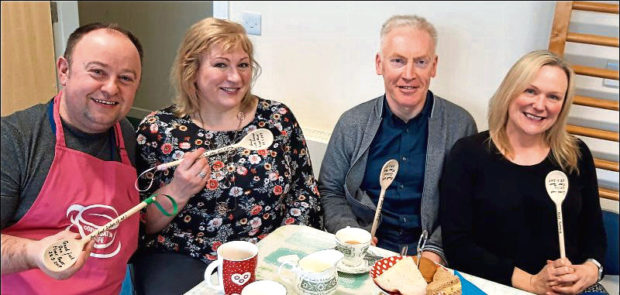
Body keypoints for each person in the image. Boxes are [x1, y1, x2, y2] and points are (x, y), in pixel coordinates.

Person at [133, 17, 322, 294]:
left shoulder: (277, 119)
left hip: (269, 254)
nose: (235, 77)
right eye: (221, 64)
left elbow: (303, 191)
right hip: (184, 256)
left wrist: (284, 251)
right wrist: (179, 190)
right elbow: (142, 224)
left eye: (243, 65)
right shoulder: (158, 129)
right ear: (192, 69)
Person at [440, 50, 607, 294]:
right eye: (530, 91)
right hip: (491, 285)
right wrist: (531, 283)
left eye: (553, 97)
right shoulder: (468, 154)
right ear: (510, 91)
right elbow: (458, 246)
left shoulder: (576, 155)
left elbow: (594, 235)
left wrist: (590, 270)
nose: (540, 105)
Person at [318, 15, 476, 265]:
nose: (409, 74)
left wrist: (433, 252)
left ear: (434, 66)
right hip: (363, 254)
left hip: (431, 257)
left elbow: (465, 205)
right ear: (380, 64)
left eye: (420, 62)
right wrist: (351, 234)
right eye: (398, 61)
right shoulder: (352, 123)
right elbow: (330, 190)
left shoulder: (460, 125)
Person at [1, 23, 143, 294]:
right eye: (98, 72)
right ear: (64, 70)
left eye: (125, 78)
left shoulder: (125, 133)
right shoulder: (15, 139)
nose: (111, 88)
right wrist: (35, 252)